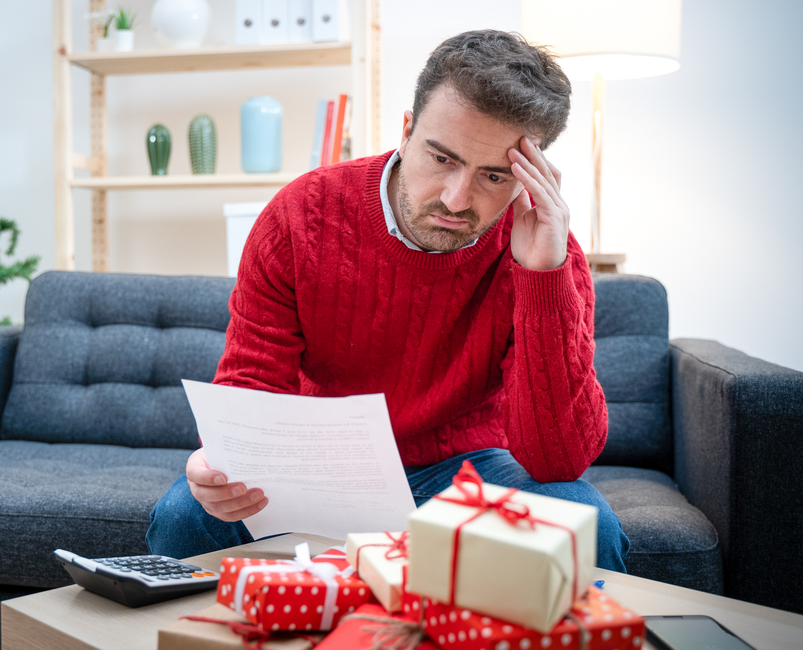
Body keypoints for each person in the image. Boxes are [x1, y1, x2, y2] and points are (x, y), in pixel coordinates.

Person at [147, 29, 630, 571]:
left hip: (466, 473)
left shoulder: (547, 253)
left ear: (532, 176)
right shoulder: (300, 214)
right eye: (442, 158)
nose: (456, 198)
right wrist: (221, 463)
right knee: (185, 515)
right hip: (315, 470)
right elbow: (251, 387)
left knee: (585, 523)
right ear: (406, 131)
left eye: (493, 175)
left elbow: (557, 459)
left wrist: (541, 275)